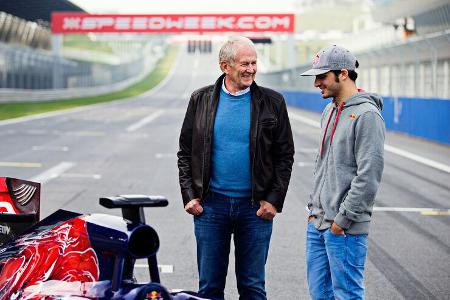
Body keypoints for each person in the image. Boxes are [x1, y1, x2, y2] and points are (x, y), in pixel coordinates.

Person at [177, 36, 295, 300]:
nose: (251, 69)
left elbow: (284, 156)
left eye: (254, 63)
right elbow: (185, 152)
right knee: (209, 288)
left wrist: (273, 200)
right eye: (245, 63)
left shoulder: (273, 102)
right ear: (225, 66)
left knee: (253, 288)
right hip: (211, 207)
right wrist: (190, 195)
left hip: (255, 209)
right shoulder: (200, 100)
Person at [300, 45, 385, 299]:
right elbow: (322, 163)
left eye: (322, 76)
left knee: (347, 294)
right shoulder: (329, 110)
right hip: (318, 223)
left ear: (344, 74)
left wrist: (342, 220)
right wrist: (314, 210)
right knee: (320, 295)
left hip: (344, 228)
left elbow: (368, 175)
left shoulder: (367, 115)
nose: (316, 83)